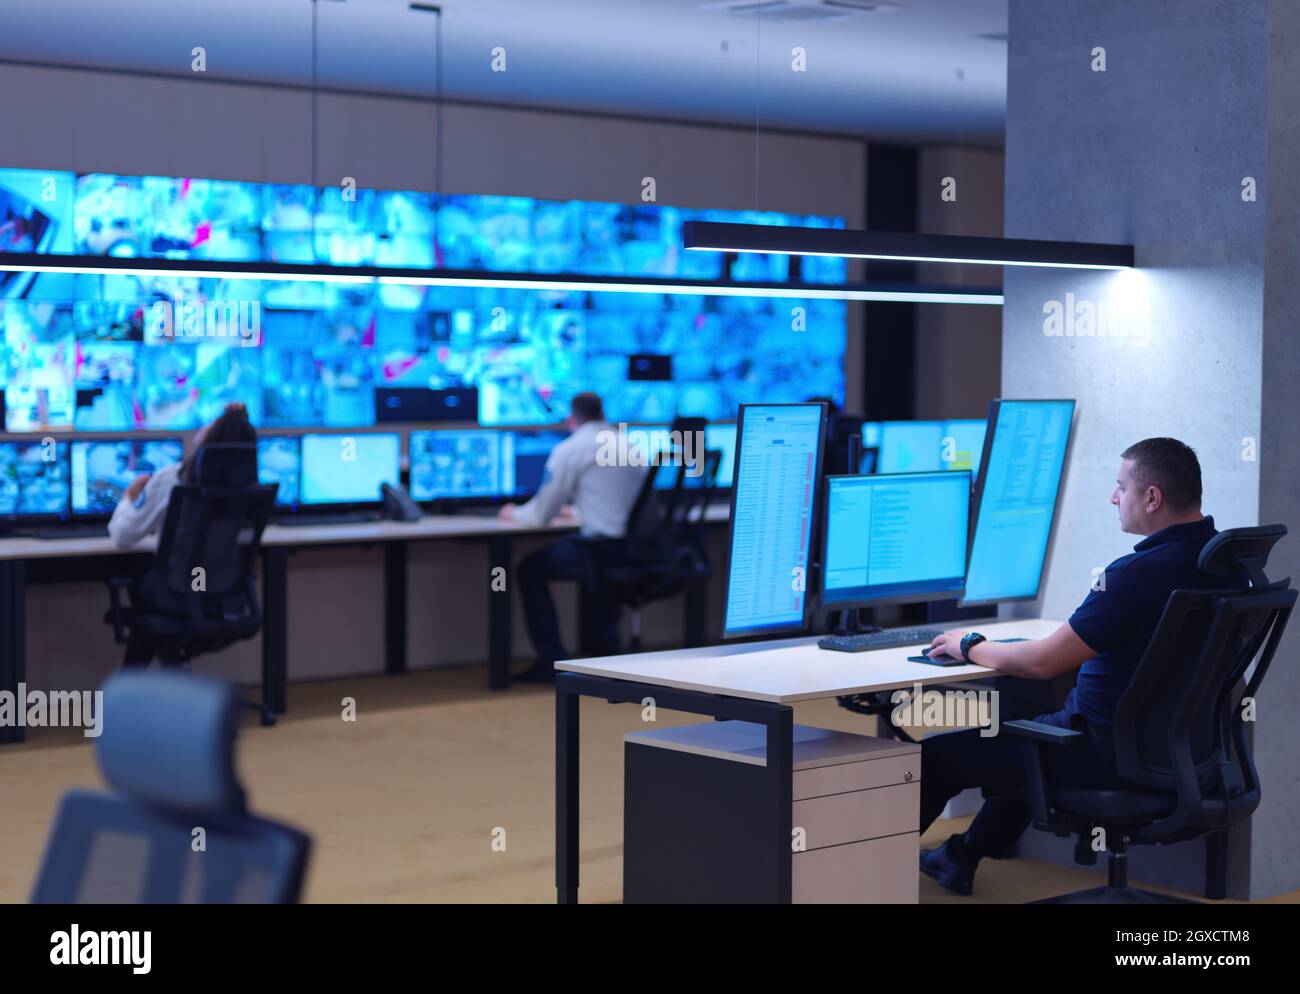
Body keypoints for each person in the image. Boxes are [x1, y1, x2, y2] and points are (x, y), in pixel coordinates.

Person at [917, 437, 1234, 895]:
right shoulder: (1229, 566)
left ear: (1152, 497)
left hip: (1097, 756)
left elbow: (1043, 662)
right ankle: (962, 855)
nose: (1112, 497)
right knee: (1028, 729)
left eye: (1120, 486)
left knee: (946, 753)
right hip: (1192, 758)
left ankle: (860, 875)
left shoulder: (1135, 574)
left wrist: (970, 645)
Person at [498, 392, 644, 682]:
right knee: (578, 565)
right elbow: (614, 497)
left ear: (571, 418)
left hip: (598, 548)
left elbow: (541, 514)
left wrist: (512, 513)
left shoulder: (571, 448)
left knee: (529, 569)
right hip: (632, 548)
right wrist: (577, 509)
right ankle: (599, 648)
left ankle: (550, 660)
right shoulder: (629, 444)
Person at [108, 403, 257, 666]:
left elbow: (122, 536)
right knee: (157, 617)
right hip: (223, 597)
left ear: (208, 439)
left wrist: (129, 499)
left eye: (208, 425)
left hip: (175, 593)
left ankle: (129, 699)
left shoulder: (172, 478)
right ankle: (169, 685)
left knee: (143, 596)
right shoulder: (248, 491)